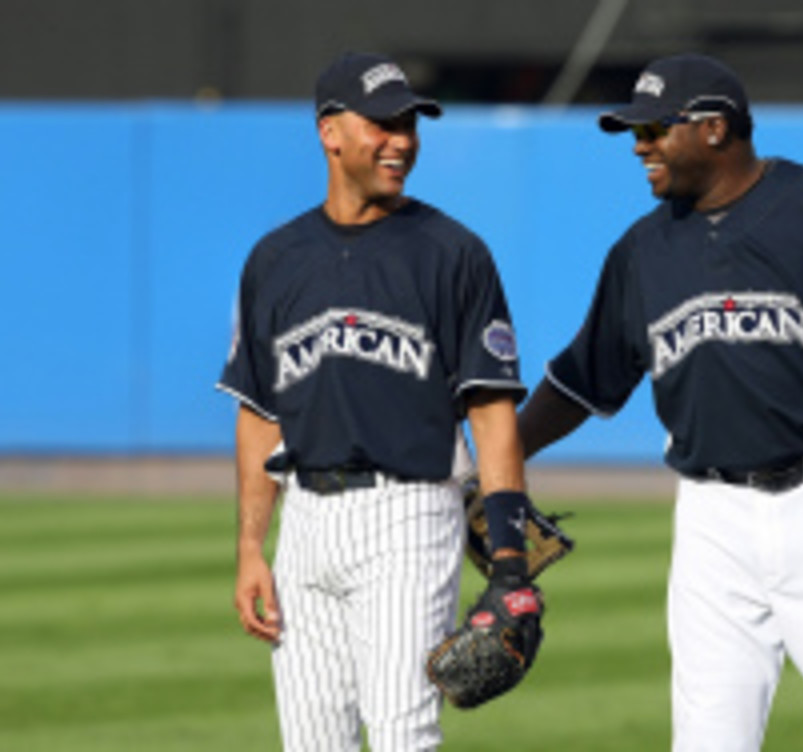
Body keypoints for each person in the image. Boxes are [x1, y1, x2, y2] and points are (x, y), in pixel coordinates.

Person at [517, 53, 803, 751]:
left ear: (715, 129)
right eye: (634, 132)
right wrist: (496, 456)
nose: (639, 146)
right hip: (711, 519)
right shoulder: (641, 253)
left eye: (655, 130)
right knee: (707, 737)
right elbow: (582, 380)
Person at [217, 51, 537, 751]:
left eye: (410, 123)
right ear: (331, 133)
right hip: (303, 518)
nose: (402, 139)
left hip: (409, 513)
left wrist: (510, 555)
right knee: (310, 741)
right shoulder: (275, 260)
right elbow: (259, 412)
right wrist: (250, 547)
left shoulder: (452, 253)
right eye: (384, 122)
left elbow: (490, 410)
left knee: (401, 732)